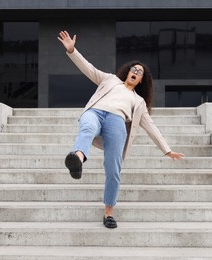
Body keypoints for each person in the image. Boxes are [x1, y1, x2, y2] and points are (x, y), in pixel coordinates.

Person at [57, 30, 185, 229]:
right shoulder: (110, 80)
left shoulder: (138, 101)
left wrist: (166, 149)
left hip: (117, 122)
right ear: (128, 72)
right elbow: (88, 68)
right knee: (88, 126)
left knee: (113, 169)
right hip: (96, 112)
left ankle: (109, 213)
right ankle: (78, 159)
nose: (136, 72)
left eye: (140, 72)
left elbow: (151, 127)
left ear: (141, 80)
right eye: (134, 69)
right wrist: (72, 50)